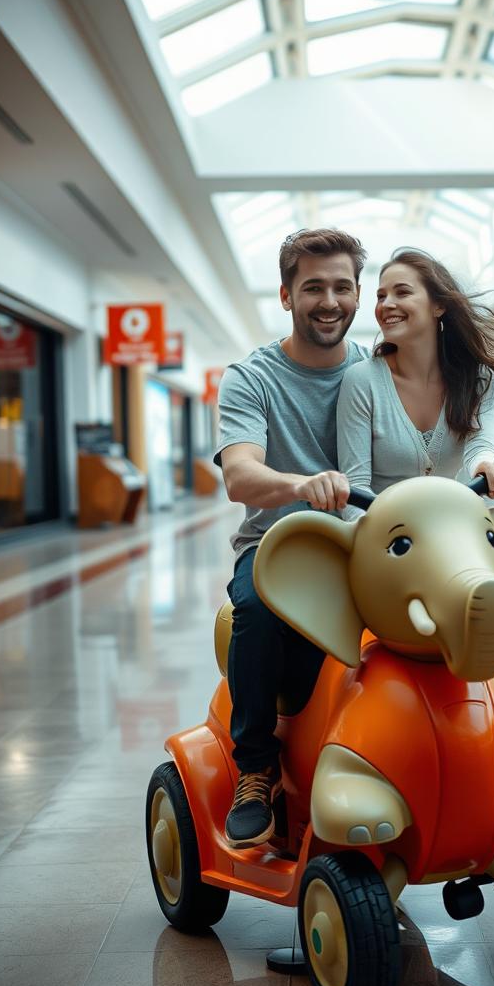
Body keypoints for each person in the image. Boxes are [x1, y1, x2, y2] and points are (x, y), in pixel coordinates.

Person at [214, 227, 367, 847]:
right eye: (313, 288)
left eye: (342, 286)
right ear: (285, 295)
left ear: (359, 293)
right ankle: (255, 767)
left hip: (368, 542)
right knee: (254, 609)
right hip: (278, 544)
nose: (329, 301)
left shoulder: (378, 370)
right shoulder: (251, 377)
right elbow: (240, 475)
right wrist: (302, 486)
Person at [337, 247, 494, 693]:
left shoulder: (476, 377)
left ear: (439, 304)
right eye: (381, 296)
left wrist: (487, 465)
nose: (386, 305)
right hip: (388, 551)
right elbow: (355, 484)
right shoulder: (362, 381)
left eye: (402, 292)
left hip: (455, 548)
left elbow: (480, 444)